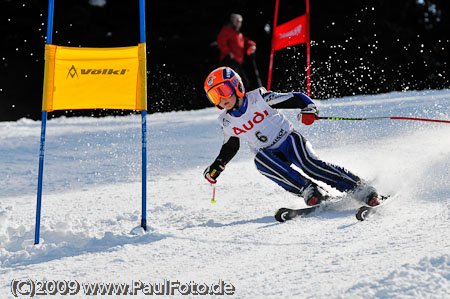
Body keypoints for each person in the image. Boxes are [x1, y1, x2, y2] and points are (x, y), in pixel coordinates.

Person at [202, 66, 382, 207]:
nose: (221, 99)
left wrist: (309, 108)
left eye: (223, 90)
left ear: (236, 85)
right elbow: (230, 146)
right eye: (214, 96)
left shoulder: (260, 98)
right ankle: (310, 191)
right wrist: (218, 165)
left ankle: (361, 189)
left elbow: (296, 97)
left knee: (310, 165)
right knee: (260, 161)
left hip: (288, 140)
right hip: (271, 156)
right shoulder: (226, 121)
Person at [216, 13, 256, 90]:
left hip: (238, 62)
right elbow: (221, 41)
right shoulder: (227, 30)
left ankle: (242, 99)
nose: (239, 23)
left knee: (244, 83)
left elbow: (245, 41)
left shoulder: (238, 33)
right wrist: (228, 52)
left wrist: (251, 45)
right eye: (236, 21)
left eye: (240, 21)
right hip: (229, 61)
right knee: (235, 83)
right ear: (231, 21)